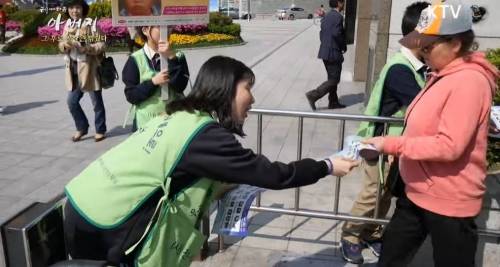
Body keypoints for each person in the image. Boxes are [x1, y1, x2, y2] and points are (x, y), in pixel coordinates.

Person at [63, 56, 360, 266]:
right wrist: (327, 165)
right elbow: (274, 175)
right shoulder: (206, 136)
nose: (253, 99)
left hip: (83, 204)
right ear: (226, 89)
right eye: (248, 88)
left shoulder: (181, 116)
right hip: (107, 224)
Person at [364, 1, 499, 266]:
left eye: (428, 47)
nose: (422, 53)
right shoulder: (443, 74)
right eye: (420, 47)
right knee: (390, 257)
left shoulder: (468, 81)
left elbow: (449, 146)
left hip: (449, 202)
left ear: (456, 44)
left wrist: (390, 144)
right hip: (416, 192)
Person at [339, 2, 430, 264]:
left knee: (386, 193)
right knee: (372, 194)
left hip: (394, 145)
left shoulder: (416, 65)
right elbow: (421, 105)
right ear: (417, 35)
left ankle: (373, 231)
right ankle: (351, 235)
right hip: (380, 146)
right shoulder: (401, 68)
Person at [122, 25, 189, 131]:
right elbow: (131, 95)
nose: (166, 30)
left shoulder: (178, 56)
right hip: (146, 125)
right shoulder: (135, 59)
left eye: (169, 26)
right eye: (160, 26)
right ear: (145, 30)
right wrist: (153, 82)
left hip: (174, 122)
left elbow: (180, 87)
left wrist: (171, 58)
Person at [58, 0, 107, 142]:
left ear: (83, 9)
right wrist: (64, 46)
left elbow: (102, 44)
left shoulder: (91, 24)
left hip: (90, 68)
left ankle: (100, 130)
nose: (74, 11)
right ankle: (82, 127)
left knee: (96, 102)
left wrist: (87, 48)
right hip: (73, 68)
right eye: (71, 8)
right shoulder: (67, 24)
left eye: (77, 7)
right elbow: (61, 43)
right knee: (72, 102)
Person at [306, 0, 347, 110]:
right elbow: (336, 34)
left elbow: (321, 33)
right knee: (334, 80)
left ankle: (333, 102)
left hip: (325, 51)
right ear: (339, 3)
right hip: (333, 52)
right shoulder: (338, 17)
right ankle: (313, 95)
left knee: (332, 78)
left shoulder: (327, 16)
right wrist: (343, 45)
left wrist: (325, 44)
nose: (344, 5)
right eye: (343, 2)